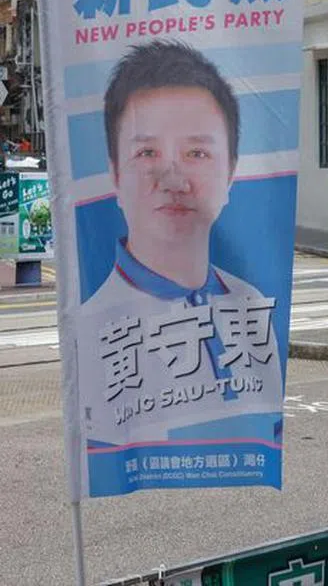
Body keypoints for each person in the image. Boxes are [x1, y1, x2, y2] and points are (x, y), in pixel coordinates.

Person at [82, 39, 282, 443]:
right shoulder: (92, 331)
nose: (173, 180)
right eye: (147, 153)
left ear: (231, 174)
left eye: (196, 153)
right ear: (115, 175)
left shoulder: (251, 308)